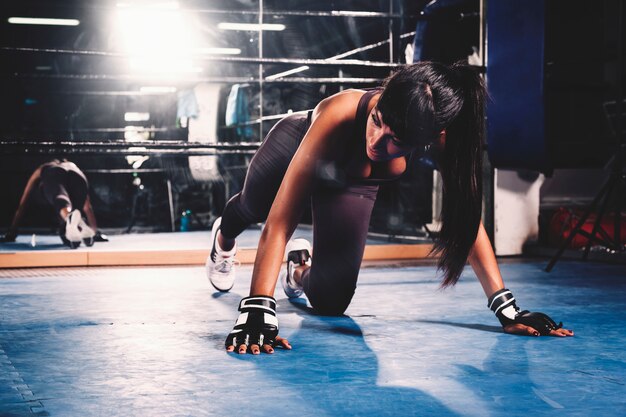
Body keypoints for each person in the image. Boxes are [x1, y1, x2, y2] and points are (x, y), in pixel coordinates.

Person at [204, 61, 574, 355]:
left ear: (428, 140)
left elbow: (466, 220)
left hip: (351, 182)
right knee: (254, 206)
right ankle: (224, 235)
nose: (377, 141)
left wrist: (505, 308)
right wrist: (257, 308)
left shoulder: (438, 134)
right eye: (377, 121)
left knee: (332, 302)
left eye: (395, 140)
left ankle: (298, 270)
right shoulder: (339, 113)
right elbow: (280, 223)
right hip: (295, 147)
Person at [1, 159, 108, 248]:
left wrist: (12, 230)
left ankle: (69, 219)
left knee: (60, 198)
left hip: (55, 175)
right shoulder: (72, 165)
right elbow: (88, 208)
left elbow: (23, 203)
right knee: (72, 208)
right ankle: (79, 224)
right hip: (79, 177)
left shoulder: (45, 167)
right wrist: (94, 232)